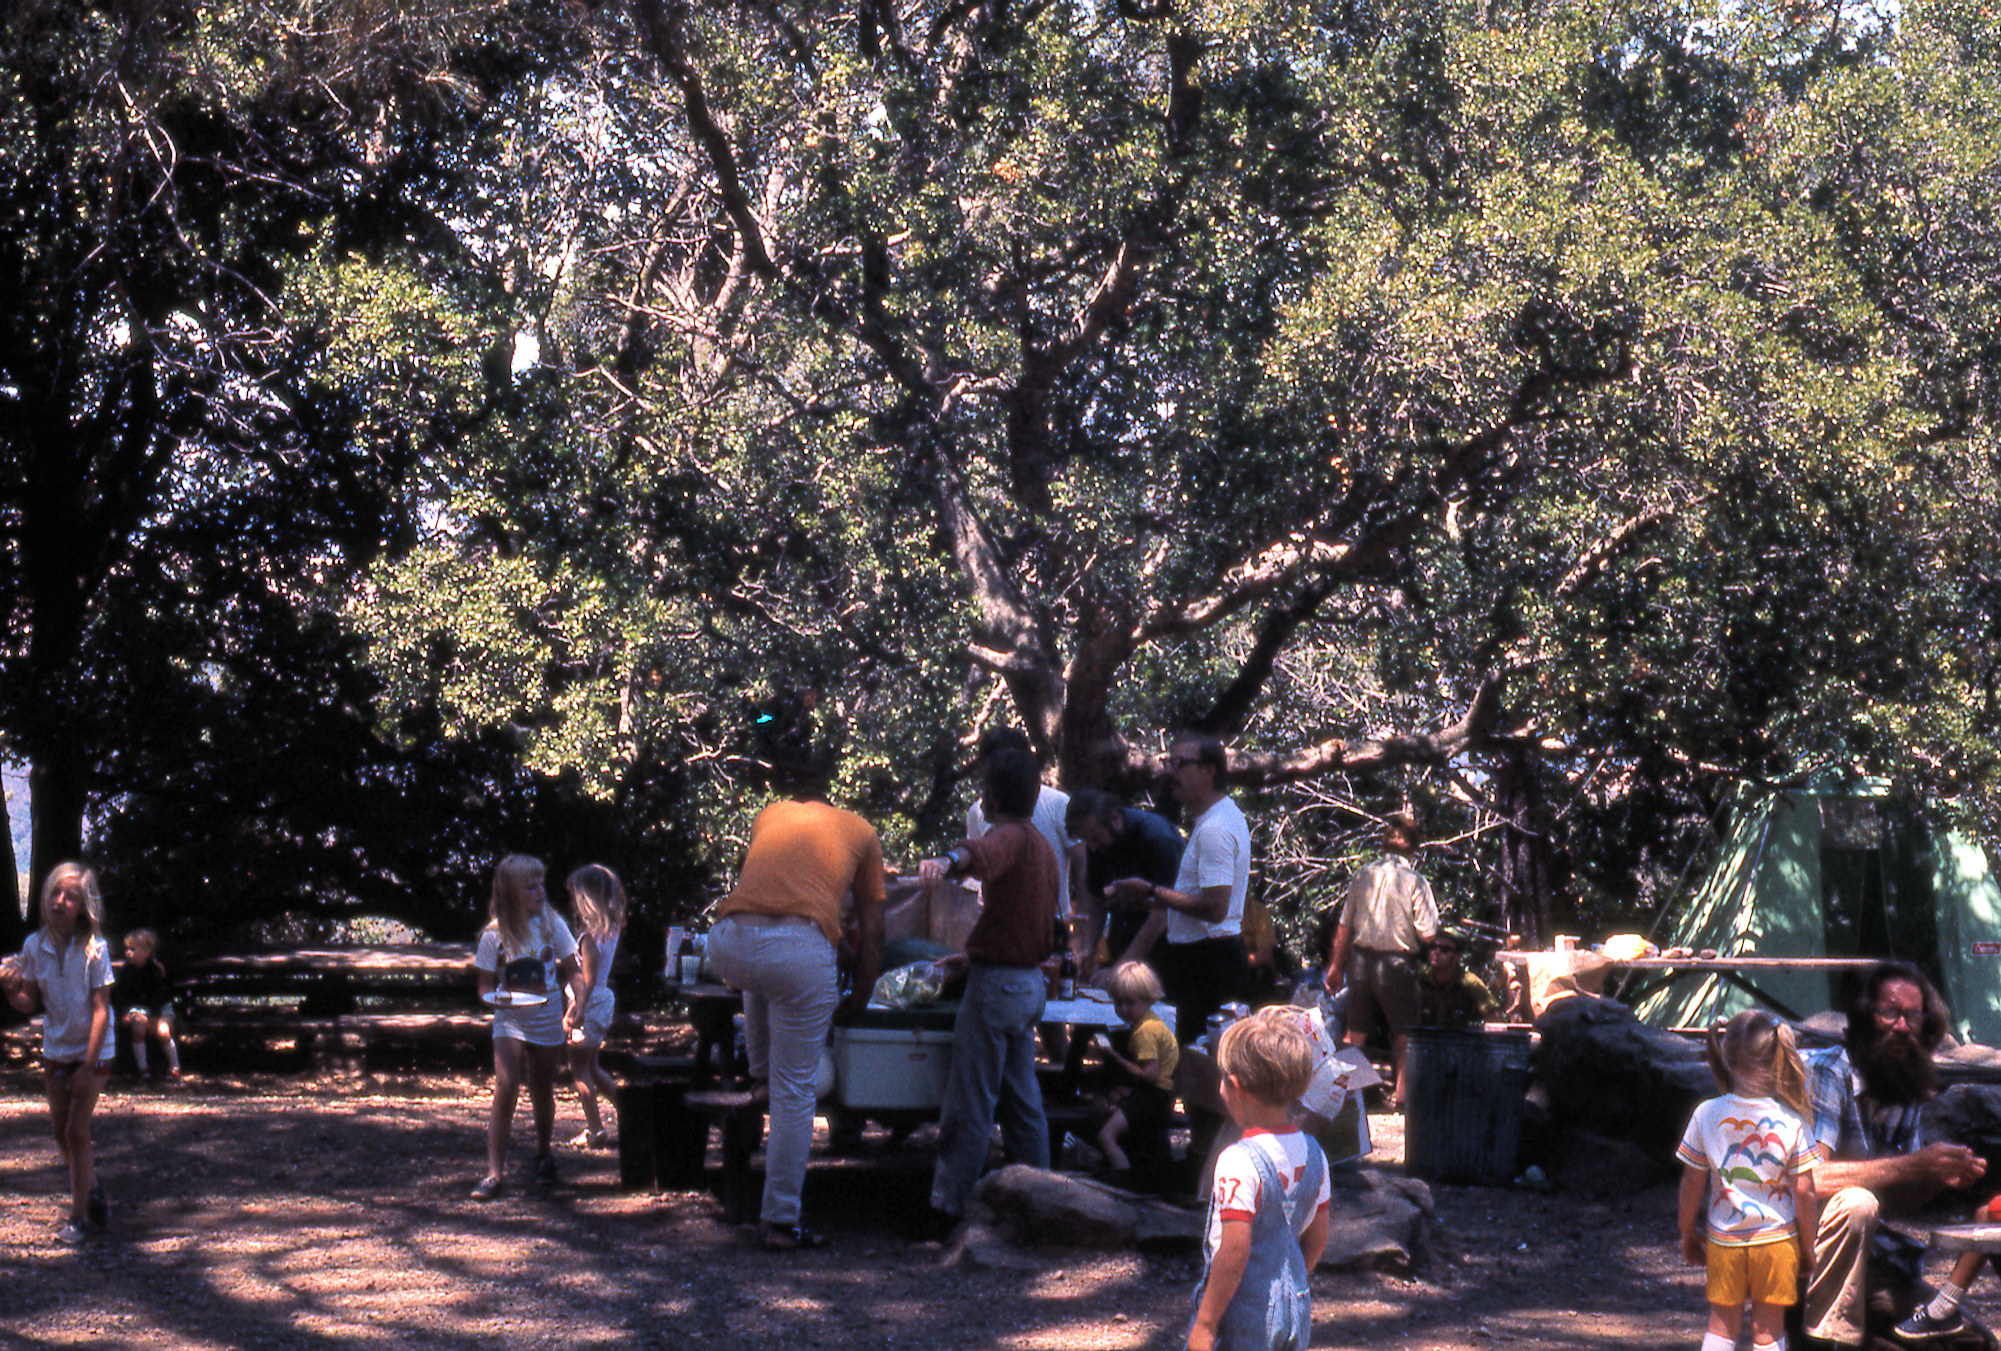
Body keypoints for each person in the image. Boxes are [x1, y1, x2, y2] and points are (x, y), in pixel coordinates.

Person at [707, 769, 886, 1250]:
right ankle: (781, 1219)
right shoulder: (863, 833)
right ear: (833, 806)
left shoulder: (770, 816)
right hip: (797, 952)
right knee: (797, 1091)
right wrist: (861, 993)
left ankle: (760, 1070)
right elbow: (874, 930)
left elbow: (772, 898)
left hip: (728, 941)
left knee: (763, 974)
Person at [1802, 961, 1988, 1347]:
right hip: (1803, 1256)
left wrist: (1934, 1180)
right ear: (1864, 1016)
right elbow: (1811, 1180)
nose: (1902, 1026)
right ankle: (1827, 1339)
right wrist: (1913, 1164)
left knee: (1973, 1344)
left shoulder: (1901, 1077)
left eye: (1913, 1016)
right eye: (1889, 1013)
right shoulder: (1827, 1073)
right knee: (1855, 1202)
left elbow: (1890, 1197)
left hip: (1877, 1263)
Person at [919, 747, 1060, 1230]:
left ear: (992, 794)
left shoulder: (1011, 837)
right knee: (1023, 1101)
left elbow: (979, 853)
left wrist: (947, 859)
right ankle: (1041, 1202)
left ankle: (947, 1209)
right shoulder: (1042, 846)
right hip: (1027, 983)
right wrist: (972, 955)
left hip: (999, 987)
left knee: (970, 1103)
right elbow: (1022, 921)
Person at [1677, 1011, 1822, 1351]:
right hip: (1777, 1241)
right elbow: (1804, 1191)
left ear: (1728, 1058)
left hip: (1724, 1241)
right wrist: (1807, 1245)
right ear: (1778, 1060)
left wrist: (1686, 1232)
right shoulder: (1793, 1120)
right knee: (1768, 1331)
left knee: (1721, 1327)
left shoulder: (1706, 1113)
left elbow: (1691, 1183)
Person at [1188, 1007, 1331, 1351]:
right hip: (1295, 1305)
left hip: (1243, 1308)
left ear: (1235, 1086)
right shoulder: (1315, 1154)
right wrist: (1291, 1281)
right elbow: (1319, 1235)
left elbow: (1234, 1249)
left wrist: (1206, 1323)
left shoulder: (1237, 1160)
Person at [1107, 732, 1252, 1045]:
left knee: (1200, 1058)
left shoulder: (1215, 828)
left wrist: (1152, 891)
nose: (1170, 773)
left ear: (1209, 770)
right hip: (1207, 959)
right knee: (1194, 1056)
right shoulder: (1216, 818)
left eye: (1180, 764)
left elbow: (1215, 907)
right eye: (1168, 763)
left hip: (1209, 963)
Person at [1, 863, 116, 1244]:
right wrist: (8, 988)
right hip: (56, 1049)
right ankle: (93, 1189)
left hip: (93, 1050)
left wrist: (87, 1067)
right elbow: (27, 1002)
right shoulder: (35, 946)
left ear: (84, 906)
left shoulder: (95, 949)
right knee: (60, 1134)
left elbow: (102, 1008)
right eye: (55, 893)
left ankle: (80, 1218)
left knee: (76, 1132)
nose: (60, 902)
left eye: (71, 896)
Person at [471, 854, 585, 1201]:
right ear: (510, 893)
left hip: (547, 1015)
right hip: (510, 1018)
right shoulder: (494, 935)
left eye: (541, 884)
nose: (539, 892)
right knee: (506, 1085)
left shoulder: (553, 925)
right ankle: (494, 1173)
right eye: (530, 886)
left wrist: (578, 1002)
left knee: (542, 1086)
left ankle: (543, 1152)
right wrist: (497, 1001)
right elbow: (484, 985)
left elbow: (574, 968)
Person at [1323, 812, 1438, 1108]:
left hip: (1360, 962)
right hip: (1396, 964)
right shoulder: (1415, 880)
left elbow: (1345, 926)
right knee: (1405, 1037)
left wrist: (1336, 966)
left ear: (1385, 844)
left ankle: (1344, 1101)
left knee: (1354, 1032)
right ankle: (1403, 1101)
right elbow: (1427, 934)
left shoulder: (1363, 874)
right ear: (1414, 847)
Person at [965, 727, 1086, 958]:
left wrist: (1080, 938)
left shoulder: (1057, 804)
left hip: (1052, 934)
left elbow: (1085, 866)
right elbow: (976, 874)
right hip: (1001, 944)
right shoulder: (978, 812)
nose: (1006, 769)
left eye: (1011, 761)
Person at [1066, 787, 1184, 977]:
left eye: (1095, 838)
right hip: (1124, 939)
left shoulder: (1158, 838)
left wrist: (1120, 970)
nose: (1093, 848)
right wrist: (1087, 949)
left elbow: (1162, 915)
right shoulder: (1096, 842)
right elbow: (1097, 902)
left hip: (1168, 950)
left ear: (1114, 818)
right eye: (1087, 841)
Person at [1091, 960, 1179, 1173]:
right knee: (1110, 1103)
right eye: (1118, 1003)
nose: (1123, 1009)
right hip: (1156, 1093)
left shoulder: (1145, 1032)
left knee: (1106, 1136)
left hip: (1155, 1097)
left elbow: (1149, 1075)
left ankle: (1123, 1179)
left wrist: (1113, 1055)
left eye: (1130, 1003)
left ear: (1148, 999)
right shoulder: (1150, 1021)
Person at [561, 864, 626, 1149]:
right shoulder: (610, 932)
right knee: (594, 1067)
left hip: (586, 1003)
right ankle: (630, 1110)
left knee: (579, 1070)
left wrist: (573, 1012)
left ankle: (595, 1128)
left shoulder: (589, 938)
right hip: (601, 1001)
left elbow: (585, 980)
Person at [116, 927, 182, 1080]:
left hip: (159, 1009)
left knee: (163, 1032)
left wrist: (153, 1016)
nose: (128, 953)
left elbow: (160, 996)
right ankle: (143, 1069)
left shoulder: (155, 971)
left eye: (133, 949)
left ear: (146, 952)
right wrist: (125, 1012)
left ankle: (175, 1066)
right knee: (138, 1027)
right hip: (138, 1009)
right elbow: (123, 995)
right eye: (126, 949)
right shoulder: (127, 972)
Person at [1416, 930, 1499, 1031]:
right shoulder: (1418, 978)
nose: (1436, 952)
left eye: (1444, 949)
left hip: (1459, 1043)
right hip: (1424, 1042)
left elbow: (1495, 1020)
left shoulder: (1470, 984)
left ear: (1457, 956)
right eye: (1433, 947)